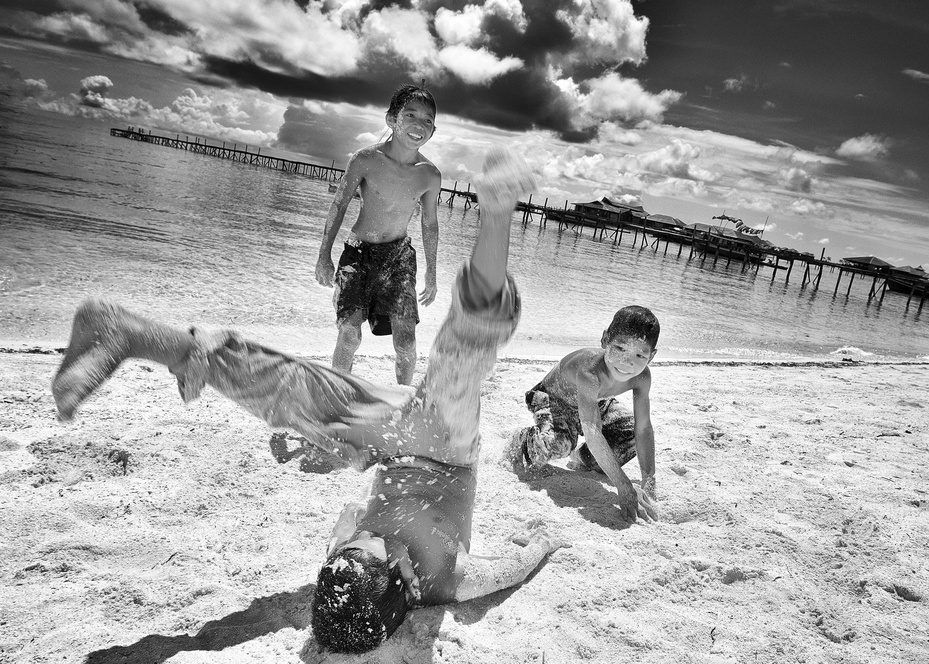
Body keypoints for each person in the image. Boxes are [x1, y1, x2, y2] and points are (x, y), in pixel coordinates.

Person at [51, 148, 560, 653]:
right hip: (444, 448)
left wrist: (337, 451)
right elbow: (509, 570)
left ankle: (131, 333)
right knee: (462, 362)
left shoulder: (347, 553)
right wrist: (538, 545)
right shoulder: (450, 579)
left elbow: (360, 496)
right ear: (403, 575)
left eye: (350, 546)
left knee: (303, 398)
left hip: (395, 439)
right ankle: (495, 218)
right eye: (370, 545)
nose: (359, 536)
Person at [315, 83, 441, 385]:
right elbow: (340, 203)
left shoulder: (429, 174)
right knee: (349, 335)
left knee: (406, 343)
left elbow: (430, 224)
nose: (418, 124)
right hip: (357, 255)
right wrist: (324, 256)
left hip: (399, 259)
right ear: (391, 120)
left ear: (433, 131)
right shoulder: (365, 159)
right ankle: (337, 395)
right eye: (410, 115)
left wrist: (431, 274)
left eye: (427, 120)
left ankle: (403, 400)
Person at [506, 306, 660, 524]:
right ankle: (522, 439)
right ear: (605, 339)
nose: (627, 362)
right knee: (558, 444)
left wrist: (649, 481)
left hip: (597, 403)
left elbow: (643, 428)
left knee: (630, 433)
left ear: (651, 356)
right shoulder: (590, 372)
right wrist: (623, 485)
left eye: (639, 355)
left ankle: (582, 458)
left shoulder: (642, 377)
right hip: (554, 401)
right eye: (620, 348)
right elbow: (593, 430)